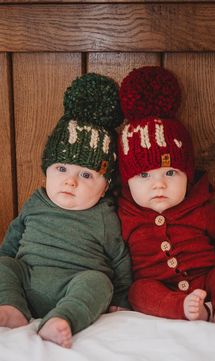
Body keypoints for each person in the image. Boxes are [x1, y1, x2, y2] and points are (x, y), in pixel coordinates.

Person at [0, 73, 132, 348]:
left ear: (105, 186)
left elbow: (120, 261)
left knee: (99, 282)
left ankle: (63, 319)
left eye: (86, 175)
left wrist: (120, 299)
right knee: (2, 265)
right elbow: (11, 242)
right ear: (46, 169)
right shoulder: (36, 202)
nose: (70, 181)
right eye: (61, 169)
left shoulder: (104, 216)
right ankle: (12, 308)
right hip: (27, 277)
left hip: (75, 284)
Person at [117, 65, 215, 325]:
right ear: (127, 182)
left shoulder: (201, 208)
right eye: (145, 176)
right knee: (140, 290)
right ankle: (183, 308)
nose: (158, 185)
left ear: (188, 175)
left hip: (207, 279)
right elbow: (114, 258)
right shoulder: (123, 215)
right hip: (162, 288)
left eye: (170, 173)